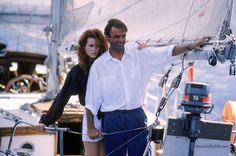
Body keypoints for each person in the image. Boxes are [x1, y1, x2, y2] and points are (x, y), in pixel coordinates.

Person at [85, 18, 210, 156]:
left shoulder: (138, 53)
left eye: (123, 36)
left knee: (142, 153)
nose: (121, 40)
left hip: (136, 116)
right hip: (112, 119)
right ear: (107, 38)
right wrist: (90, 127)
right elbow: (91, 101)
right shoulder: (99, 66)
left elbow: (165, 52)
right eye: (116, 37)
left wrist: (189, 46)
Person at [37, 28, 108, 156]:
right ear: (83, 47)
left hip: (110, 118)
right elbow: (63, 96)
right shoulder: (77, 71)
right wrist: (46, 120)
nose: (94, 49)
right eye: (91, 45)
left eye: (97, 46)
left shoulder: (107, 67)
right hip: (92, 119)